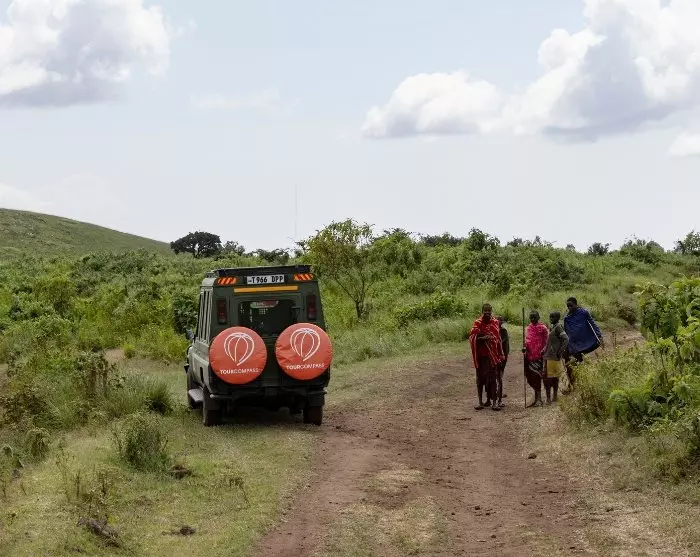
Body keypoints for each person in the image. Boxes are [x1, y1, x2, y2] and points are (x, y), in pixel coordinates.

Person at [469, 304, 505, 411]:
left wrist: (501, 355)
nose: (487, 312)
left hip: (492, 356)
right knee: (480, 380)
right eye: (485, 311)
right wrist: (483, 338)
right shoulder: (477, 323)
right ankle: (480, 402)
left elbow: (497, 339)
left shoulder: (495, 323)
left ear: (491, 311)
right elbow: (472, 336)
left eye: (489, 311)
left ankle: (494, 403)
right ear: (482, 311)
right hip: (480, 356)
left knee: (493, 379)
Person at [563, 297, 603, 388]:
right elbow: (566, 332)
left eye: (571, 306)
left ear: (576, 304)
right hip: (573, 344)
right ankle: (573, 383)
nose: (569, 308)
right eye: (568, 306)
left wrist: (599, 336)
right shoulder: (567, 318)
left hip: (585, 341)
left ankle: (578, 382)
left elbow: (592, 324)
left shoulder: (583, 313)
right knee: (571, 362)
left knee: (575, 362)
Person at [523, 310, 549, 407]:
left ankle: (539, 399)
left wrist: (544, 350)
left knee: (537, 377)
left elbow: (547, 341)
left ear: (538, 317)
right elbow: (526, 341)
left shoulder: (543, 328)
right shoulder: (528, 328)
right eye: (531, 317)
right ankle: (536, 398)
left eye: (534, 317)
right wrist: (524, 348)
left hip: (539, 357)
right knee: (531, 377)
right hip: (529, 357)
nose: (533, 319)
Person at [543, 311, 568, 403]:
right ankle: (553, 397)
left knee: (549, 378)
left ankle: (550, 398)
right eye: (550, 317)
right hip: (549, 356)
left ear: (557, 318)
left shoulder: (558, 327)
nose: (551, 319)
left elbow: (566, 339)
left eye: (553, 317)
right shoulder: (553, 327)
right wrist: (544, 349)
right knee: (552, 377)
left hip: (553, 357)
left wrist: (560, 351)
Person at [494, 315, 510, 408]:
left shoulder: (503, 331)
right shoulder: (493, 330)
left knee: (499, 375)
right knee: (496, 376)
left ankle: (498, 394)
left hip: (502, 356)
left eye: (500, 320)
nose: (498, 322)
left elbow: (502, 343)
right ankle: (496, 393)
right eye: (497, 320)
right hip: (497, 355)